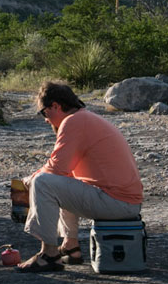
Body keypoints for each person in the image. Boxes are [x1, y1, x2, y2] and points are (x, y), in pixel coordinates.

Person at [16, 81, 143, 272]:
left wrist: (29, 180)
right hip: (125, 201)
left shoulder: (73, 121)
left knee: (43, 182)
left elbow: (56, 168)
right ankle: (70, 247)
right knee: (63, 182)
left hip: (118, 203)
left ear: (56, 106)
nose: (46, 119)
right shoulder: (85, 118)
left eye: (44, 112)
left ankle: (49, 255)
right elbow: (64, 173)